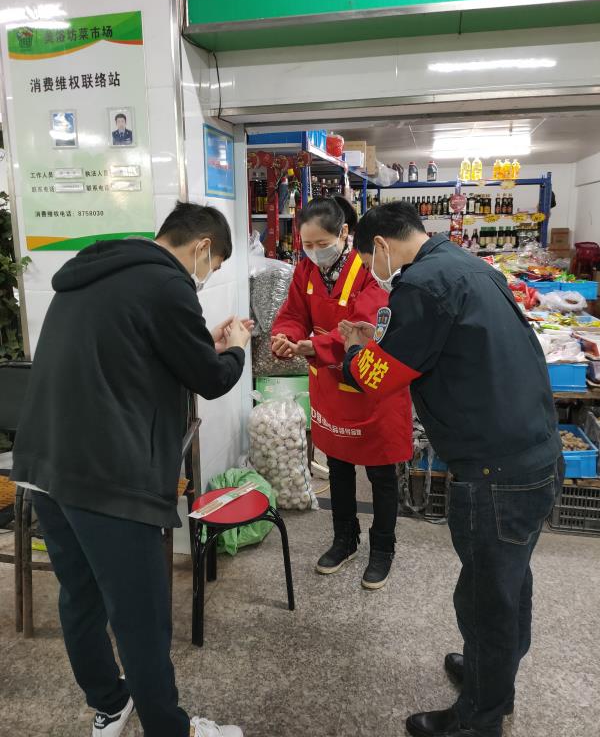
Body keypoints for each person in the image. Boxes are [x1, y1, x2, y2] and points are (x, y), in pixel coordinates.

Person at [11, 203, 252, 737]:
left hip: (47, 466)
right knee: (141, 617)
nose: (207, 276)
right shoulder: (167, 285)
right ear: (202, 247)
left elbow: (134, 354)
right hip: (110, 477)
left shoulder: (89, 272)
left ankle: (109, 703)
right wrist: (235, 349)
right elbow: (211, 379)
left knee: (81, 597)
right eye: (213, 266)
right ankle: (171, 730)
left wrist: (204, 345)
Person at [340, 202, 563, 737]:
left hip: (494, 473)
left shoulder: (420, 285)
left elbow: (377, 377)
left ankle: (479, 718)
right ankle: (494, 679)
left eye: (367, 260)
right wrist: (381, 340)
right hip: (534, 453)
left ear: (381, 246)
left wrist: (352, 350)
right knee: (509, 582)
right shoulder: (467, 266)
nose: (372, 270)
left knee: (485, 597)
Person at [271, 196, 412, 590]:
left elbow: (365, 325)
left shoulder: (368, 268)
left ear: (344, 233)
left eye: (322, 243)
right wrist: (286, 337)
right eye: (307, 245)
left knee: (381, 472)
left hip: (370, 381)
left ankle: (382, 548)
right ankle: (344, 539)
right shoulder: (305, 271)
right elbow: (293, 314)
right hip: (331, 386)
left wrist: (314, 346)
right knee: (338, 464)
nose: (315, 252)